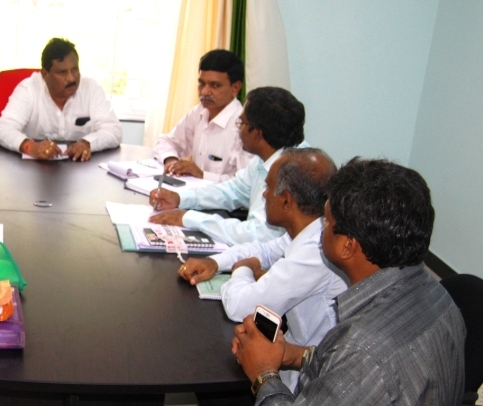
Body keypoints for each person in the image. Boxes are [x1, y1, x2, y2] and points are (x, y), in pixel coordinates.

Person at [232, 158, 465, 405]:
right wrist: (296, 356)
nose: (321, 228)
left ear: (347, 246)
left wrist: (264, 374)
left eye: (326, 221)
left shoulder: (363, 349)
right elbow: (350, 369)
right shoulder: (439, 296)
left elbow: (360, 364)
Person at [179, 148, 347, 393]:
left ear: (286, 200)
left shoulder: (315, 253)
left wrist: (242, 270)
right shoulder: (310, 229)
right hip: (293, 352)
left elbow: (240, 306)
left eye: (268, 187)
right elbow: (265, 250)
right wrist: (215, 262)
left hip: (309, 380)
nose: (264, 194)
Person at [149, 86, 306, 246]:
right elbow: (232, 191)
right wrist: (181, 198)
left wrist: (189, 218)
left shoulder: (295, 171)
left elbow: (257, 235)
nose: (238, 130)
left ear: (257, 133)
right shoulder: (267, 157)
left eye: (241, 123)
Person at [0, 37, 122, 161]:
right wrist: (30, 147)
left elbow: (113, 130)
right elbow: (1, 128)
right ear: (45, 74)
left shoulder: (90, 88)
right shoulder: (28, 89)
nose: (71, 78)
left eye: (74, 70)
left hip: (80, 167)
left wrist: (87, 143)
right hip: (34, 168)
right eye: (62, 72)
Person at [153, 49, 253, 182]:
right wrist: (171, 161)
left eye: (215, 85)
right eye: (201, 83)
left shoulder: (244, 126)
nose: (205, 92)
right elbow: (167, 141)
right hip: (192, 191)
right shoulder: (199, 112)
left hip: (219, 195)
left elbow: (246, 184)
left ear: (235, 88)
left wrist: (203, 175)